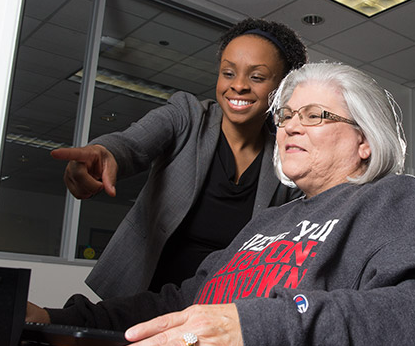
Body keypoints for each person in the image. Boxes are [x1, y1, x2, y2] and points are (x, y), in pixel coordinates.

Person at [28, 63, 415, 346]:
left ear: (364, 140)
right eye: (285, 116)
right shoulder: (266, 222)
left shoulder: (401, 200)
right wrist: (55, 319)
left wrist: (261, 325)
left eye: (315, 115)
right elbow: (182, 304)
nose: (289, 126)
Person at [50, 19, 307, 299]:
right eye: (228, 73)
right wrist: (104, 153)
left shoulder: (287, 154)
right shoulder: (186, 115)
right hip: (145, 298)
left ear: (282, 88)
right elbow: (131, 143)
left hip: (220, 311)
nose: (239, 86)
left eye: (256, 77)